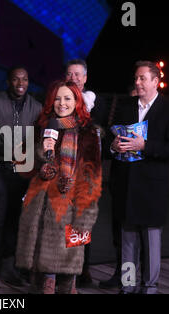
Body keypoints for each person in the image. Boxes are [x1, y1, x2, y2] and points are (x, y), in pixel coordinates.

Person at [15, 81, 102, 294]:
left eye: (67, 98)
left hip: (71, 208)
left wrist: (85, 218)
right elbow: (22, 166)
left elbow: (92, 178)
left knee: (67, 276)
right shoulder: (42, 127)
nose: (61, 103)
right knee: (40, 278)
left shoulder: (87, 133)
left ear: (77, 102)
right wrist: (41, 152)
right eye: (57, 98)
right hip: (39, 209)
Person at [108, 60, 169, 294]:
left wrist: (145, 145)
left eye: (142, 78)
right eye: (136, 78)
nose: (137, 82)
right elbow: (112, 137)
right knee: (128, 242)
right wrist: (113, 146)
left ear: (155, 81)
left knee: (151, 243)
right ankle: (128, 284)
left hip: (152, 189)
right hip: (127, 186)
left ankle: (149, 287)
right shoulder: (125, 106)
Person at [0, 66, 42, 288]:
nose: (20, 83)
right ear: (8, 81)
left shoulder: (37, 107)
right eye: (16, 79)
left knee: (15, 217)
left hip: (22, 170)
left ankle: (9, 267)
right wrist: (8, 149)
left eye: (24, 78)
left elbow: (40, 139)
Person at [65, 58, 110, 286]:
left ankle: (82, 269)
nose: (73, 78)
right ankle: (61, 270)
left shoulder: (96, 102)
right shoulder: (58, 99)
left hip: (86, 172)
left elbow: (100, 130)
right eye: (69, 74)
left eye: (77, 75)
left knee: (83, 220)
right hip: (63, 170)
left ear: (85, 78)